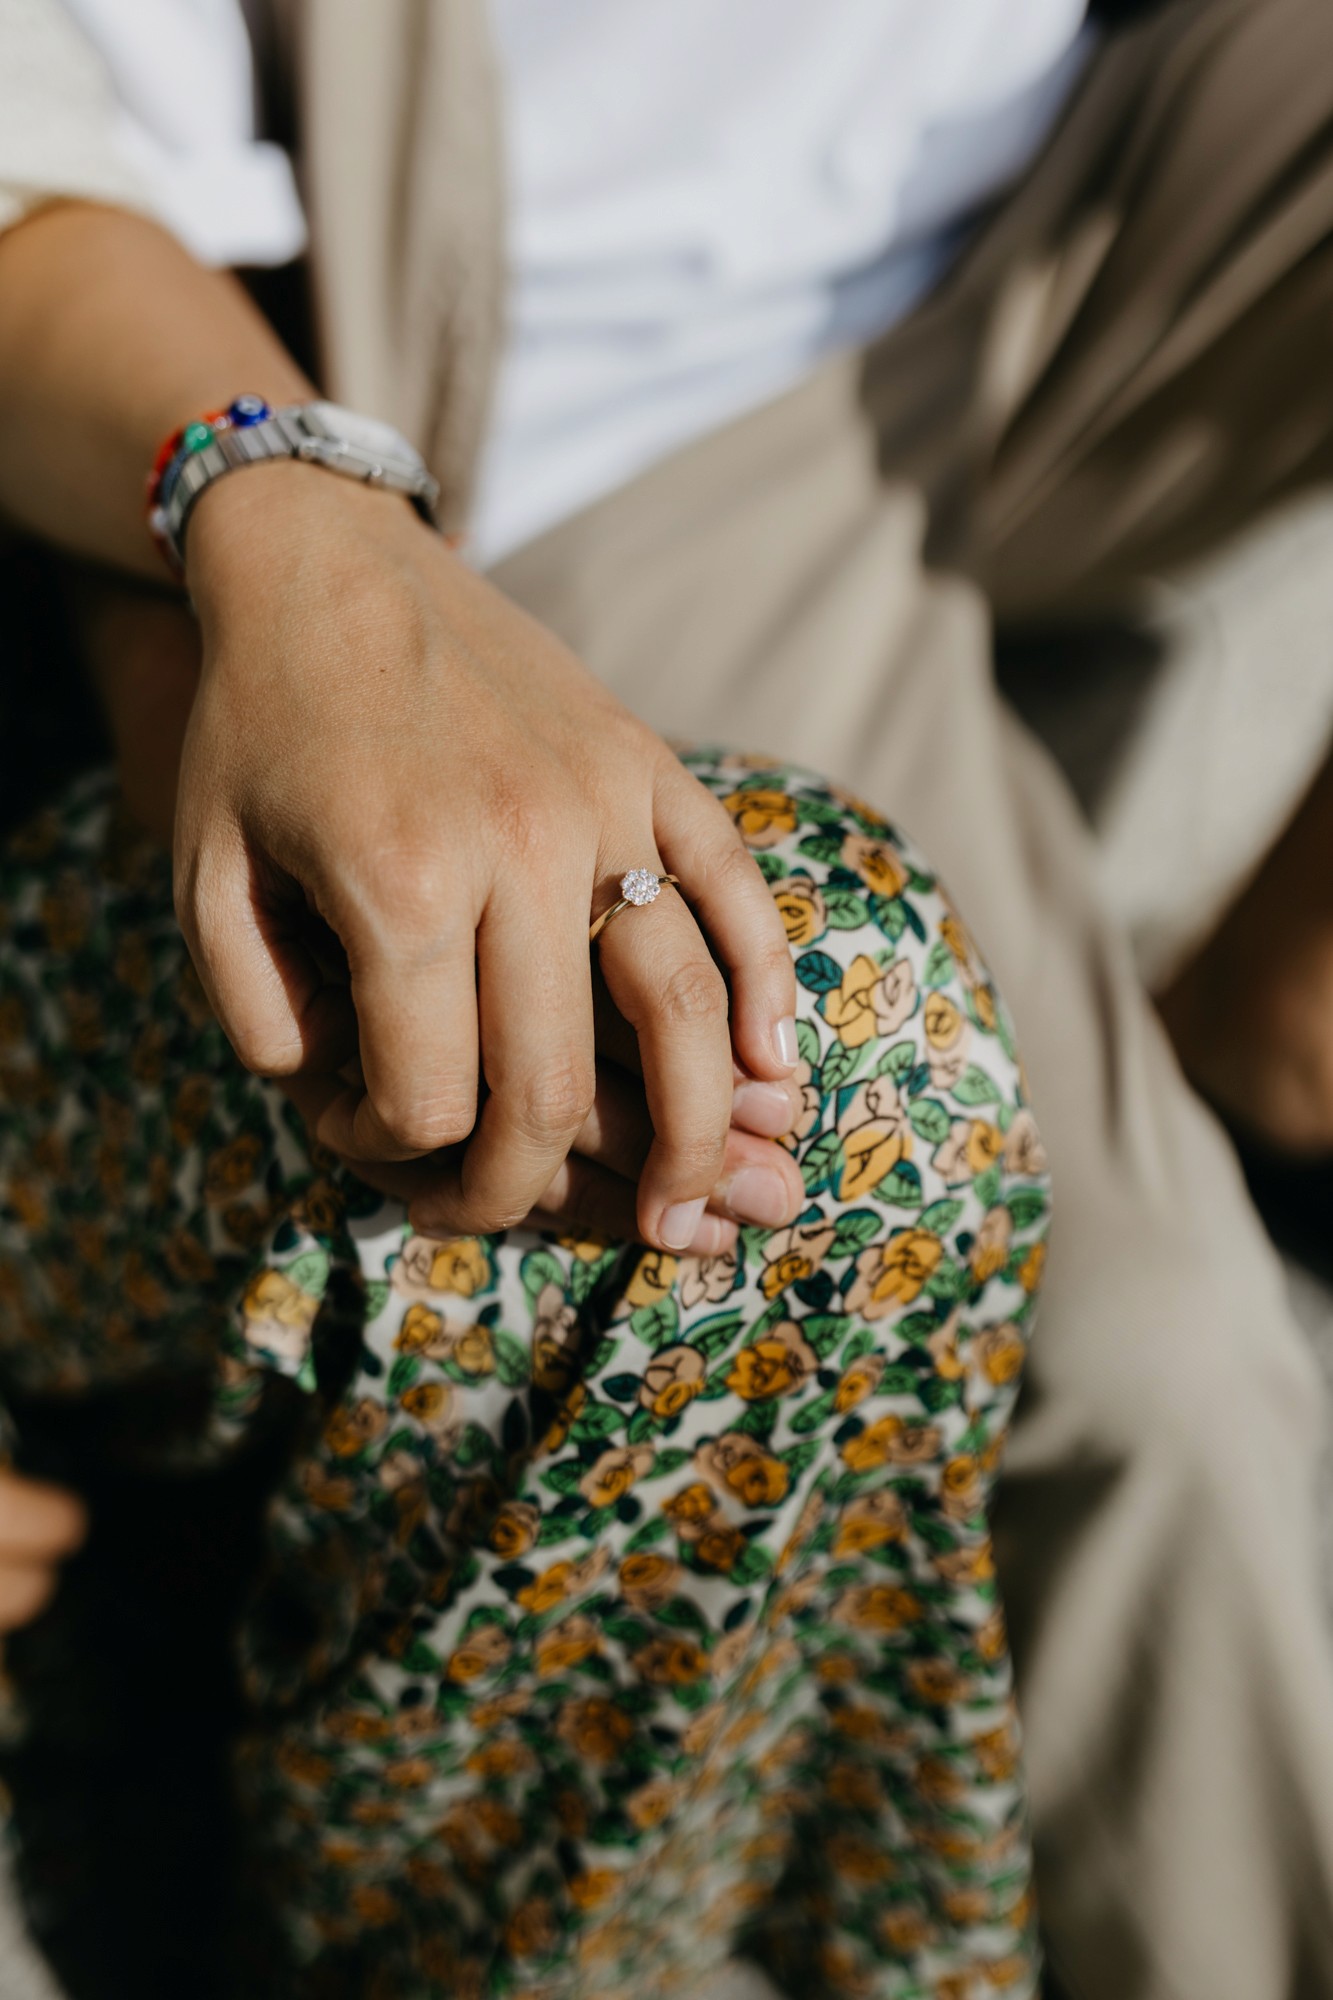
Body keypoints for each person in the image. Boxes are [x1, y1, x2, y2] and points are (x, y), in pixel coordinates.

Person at [0, 0, 1332, 1996]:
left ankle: (1270, 1040)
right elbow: (54, 185)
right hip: (508, 439)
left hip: (1018, 272)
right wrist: (285, 520)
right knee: (1098, 1326)